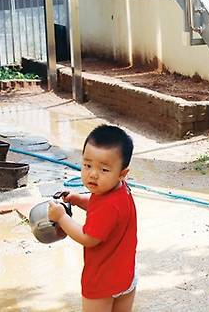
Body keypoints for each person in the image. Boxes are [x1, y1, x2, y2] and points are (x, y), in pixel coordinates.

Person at [48, 125, 137, 312]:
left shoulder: (107, 204)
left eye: (104, 169)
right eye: (87, 165)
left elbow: (89, 238)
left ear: (123, 173)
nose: (93, 174)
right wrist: (78, 199)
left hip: (102, 281)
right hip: (125, 276)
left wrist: (62, 217)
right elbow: (105, 214)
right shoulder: (119, 189)